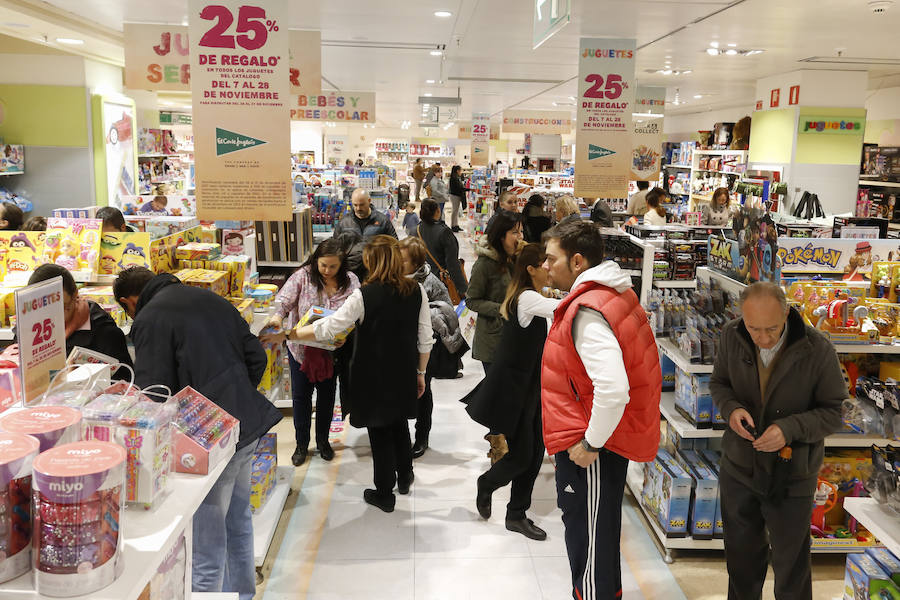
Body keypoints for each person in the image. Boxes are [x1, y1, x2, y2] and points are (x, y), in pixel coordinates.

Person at [114, 267, 281, 600]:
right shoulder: (211, 298)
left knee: (206, 540)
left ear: (128, 302)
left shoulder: (150, 319)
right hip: (244, 425)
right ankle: (243, 594)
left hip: (204, 443)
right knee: (238, 520)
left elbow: (154, 394)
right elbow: (255, 356)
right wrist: (233, 397)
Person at [540, 220, 661, 600]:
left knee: (588, 540)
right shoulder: (612, 295)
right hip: (604, 438)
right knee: (601, 535)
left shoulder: (588, 312)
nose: (545, 266)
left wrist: (590, 444)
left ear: (577, 262)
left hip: (591, 446)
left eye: (550, 259)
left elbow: (613, 389)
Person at [709, 282, 844, 600]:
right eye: (754, 329)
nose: (764, 338)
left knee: (791, 567)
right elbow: (719, 383)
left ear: (786, 312)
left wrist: (789, 428)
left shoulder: (817, 348)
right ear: (742, 317)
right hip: (740, 467)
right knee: (741, 562)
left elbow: (834, 412)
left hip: (792, 474)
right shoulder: (732, 335)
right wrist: (731, 409)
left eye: (772, 328)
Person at [289, 236, 433, 513]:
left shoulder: (363, 295)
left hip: (371, 375)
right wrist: (421, 373)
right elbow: (425, 338)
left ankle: (384, 492)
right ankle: (404, 477)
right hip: (403, 371)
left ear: (372, 261)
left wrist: (292, 334)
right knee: (400, 425)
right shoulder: (416, 290)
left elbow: (330, 327)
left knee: (379, 432)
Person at [464, 244, 559, 541]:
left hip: (529, 387)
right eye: (547, 263)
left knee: (534, 452)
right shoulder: (528, 298)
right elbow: (563, 310)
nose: (550, 268)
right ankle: (488, 484)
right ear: (531, 269)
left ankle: (516, 514)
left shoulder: (530, 295)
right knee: (522, 455)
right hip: (514, 390)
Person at [262, 238, 359, 466]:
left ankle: (323, 442)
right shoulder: (303, 276)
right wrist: (278, 317)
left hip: (331, 353)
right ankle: (301, 444)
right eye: (323, 265)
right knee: (301, 399)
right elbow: (283, 301)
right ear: (316, 261)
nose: (326, 271)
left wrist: (345, 335)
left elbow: (356, 311)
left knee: (326, 399)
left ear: (342, 264)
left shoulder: (351, 281)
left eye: (333, 266)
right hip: (301, 351)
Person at [400, 237, 467, 458]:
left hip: (423, 348)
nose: (398, 264)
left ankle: (421, 437)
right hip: (399, 347)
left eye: (403, 261)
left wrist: (426, 314)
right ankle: (400, 437)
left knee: (423, 392)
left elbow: (448, 312)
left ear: (416, 262)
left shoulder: (431, 283)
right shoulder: (392, 278)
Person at [466, 211, 522, 462]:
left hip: (513, 338)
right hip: (492, 340)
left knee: (506, 393)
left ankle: (502, 437)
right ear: (501, 236)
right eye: (515, 233)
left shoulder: (516, 259)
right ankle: (498, 445)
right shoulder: (485, 264)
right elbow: (472, 300)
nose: (520, 237)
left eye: (521, 232)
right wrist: (500, 308)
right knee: (498, 394)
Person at [28, 264, 133, 376]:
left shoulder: (104, 332)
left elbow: (125, 382)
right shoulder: (27, 329)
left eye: (59, 307)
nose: (50, 316)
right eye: (40, 309)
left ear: (75, 296)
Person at [416, 199, 468, 299]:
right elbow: (452, 264)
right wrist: (463, 289)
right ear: (437, 211)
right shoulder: (444, 232)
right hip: (441, 284)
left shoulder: (417, 229)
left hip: (422, 282)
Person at [333, 188, 397, 240]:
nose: (358, 208)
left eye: (362, 205)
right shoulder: (344, 222)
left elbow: (395, 244)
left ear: (369, 201)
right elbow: (335, 246)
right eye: (355, 205)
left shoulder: (383, 221)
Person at [448, 165, 466, 232]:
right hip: (455, 196)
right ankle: (453, 226)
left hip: (455, 195)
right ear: (457, 171)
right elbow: (459, 187)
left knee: (456, 211)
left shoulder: (455, 177)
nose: (461, 172)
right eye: (460, 170)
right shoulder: (454, 178)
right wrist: (468, 189)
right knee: (455, 211)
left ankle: (456, 225)